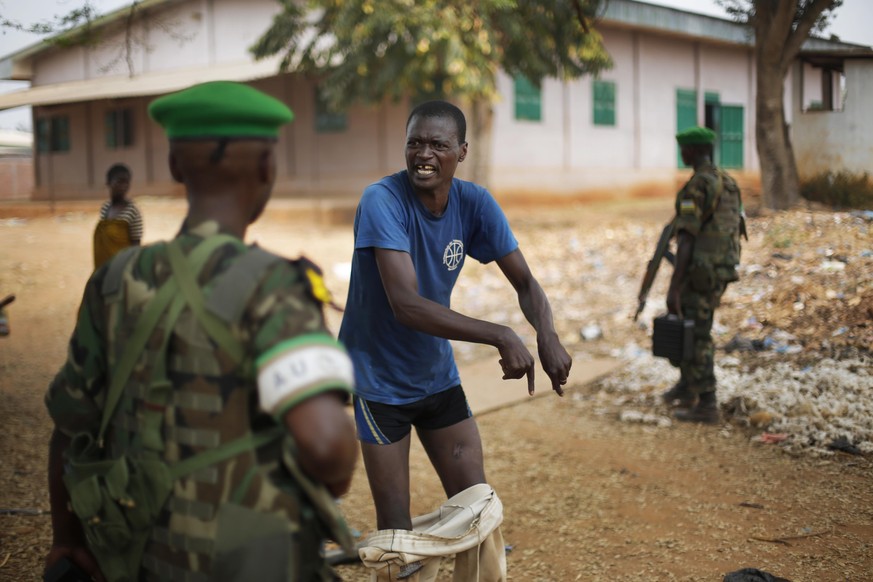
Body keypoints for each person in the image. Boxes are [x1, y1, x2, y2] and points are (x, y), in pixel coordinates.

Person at [44, 81, 358, 582]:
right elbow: (327, 451)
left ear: (174, 166)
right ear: (266, 167)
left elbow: (69, 426)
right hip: (249, 561)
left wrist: (66, 540)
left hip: (139, 555)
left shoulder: (114, 279)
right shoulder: (274, 285)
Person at [338, 100, 572, 579]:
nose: (424, 154)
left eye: (438, 145)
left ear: (461, 152)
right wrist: (500, 333)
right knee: (398, 543)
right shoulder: (381, 200)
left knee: (478, 515)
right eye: (415, 143)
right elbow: (405, 303)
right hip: (379, 380)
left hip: (435, 374)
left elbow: (526, 283)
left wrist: (546, 333)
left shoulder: (475, 203)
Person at [662, 126, 745, 424]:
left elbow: (686, 238)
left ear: (694, 151)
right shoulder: (727, 182)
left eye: (684, 149)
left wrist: (674, 286)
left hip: (699, 272)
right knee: (691, 323)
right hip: (720, 269)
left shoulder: (698, 185)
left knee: (696, 332)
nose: (681, 154)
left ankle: (707, 403)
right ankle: (688, 385)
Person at [93, 163, 144, 269]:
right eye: (120, 182)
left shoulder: (132, 211)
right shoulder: (105, 208)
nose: (124, 186)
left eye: (127, 182)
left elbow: (136, 244)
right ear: (108, 183)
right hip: (102, 268)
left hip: (121, 269)